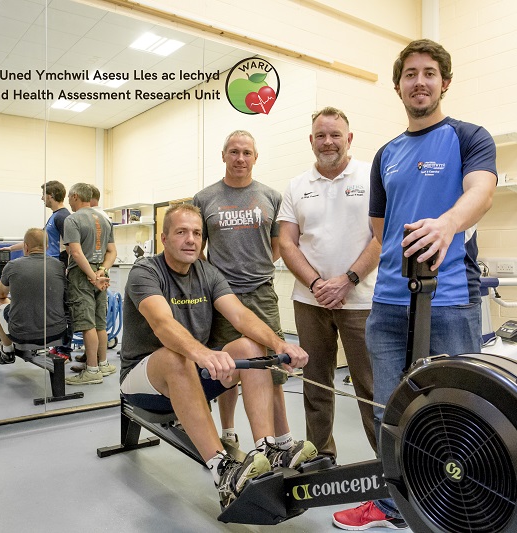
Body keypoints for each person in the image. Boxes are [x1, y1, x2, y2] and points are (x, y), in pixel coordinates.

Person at [332, 39, 497, 530]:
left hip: (448, 299)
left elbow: (482, 193)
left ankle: (459, 506)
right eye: (410, 74)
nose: (419, 82)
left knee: (457, 409)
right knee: (391, 407)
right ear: (398, 85)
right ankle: (393, 504)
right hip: (387, 304)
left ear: (444, 82)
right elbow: (382, 227)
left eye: (429, 73)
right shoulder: (387, 153)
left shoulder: (470, 136)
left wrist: (446, 226)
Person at [119, 203, 317, 506]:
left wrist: (280, 345)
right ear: (164, 238)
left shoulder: (206, 272)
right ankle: (222, 469)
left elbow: (240, 315)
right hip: (144, 379)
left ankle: (268, 449)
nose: (190, 239)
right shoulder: (145, 271)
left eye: (197, 233)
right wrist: (203, 354)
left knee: (250, 346)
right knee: (177, 357)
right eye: (182, 232)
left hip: (189, 371)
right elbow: (162, 324)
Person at [277, 106, 380, 462]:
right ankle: (320, 454)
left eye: (335, 134)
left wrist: (347, 280)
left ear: (349, 138)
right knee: (316, 383)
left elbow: (382, 237)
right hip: (310, 300)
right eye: (320, 135)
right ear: (311, 140)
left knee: (371, 386)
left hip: (361, 299)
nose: (328, 141)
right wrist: (318, 283)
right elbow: (287, 242)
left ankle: (390, 466)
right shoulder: (297, 186)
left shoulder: (371, 176)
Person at [192, 130, 295, 451]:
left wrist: (256, 267)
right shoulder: (205, 198)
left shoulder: (271, 197)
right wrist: (216, 279)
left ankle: (280, 441)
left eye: (246, 153)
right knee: (227, 367)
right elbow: (197, 247)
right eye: (234, 152)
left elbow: (278, 244)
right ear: (223, 156)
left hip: (262, 295)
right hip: (222, 299)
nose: (240, 158)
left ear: (255, 157)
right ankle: (228, 431)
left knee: (271, 367)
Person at [0, 181, 73, 359]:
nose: (41, 198)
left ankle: (64, 350)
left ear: (51, 195)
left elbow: (71, 246)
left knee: (63, 308)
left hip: (55, 267)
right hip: (47, 265)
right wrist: (10, 249)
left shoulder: (62, 217)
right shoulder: (54, 217)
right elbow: (36, 241)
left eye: (43, 194)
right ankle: (55, 346)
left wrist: (68, 270)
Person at [63, 183, 118, 385]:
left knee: (88, 325)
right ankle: (102, 364)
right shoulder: (104, 219)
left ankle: (92, 370)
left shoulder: (73, 219)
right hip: (101, 272)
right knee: (100, 323)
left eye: (69, 197)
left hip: (82, 274)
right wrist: (101, 271)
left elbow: (75, 253)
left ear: (76, 196)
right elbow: (112, 251)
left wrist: (91, 276)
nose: (68, 200)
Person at [0, 228, 67, 362]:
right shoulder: (60, 266)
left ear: (25, 247)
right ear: (47, 246)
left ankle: (7, 350)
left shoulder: (12, 266)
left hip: (21, 334)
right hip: (58, 332)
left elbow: (0, 294)